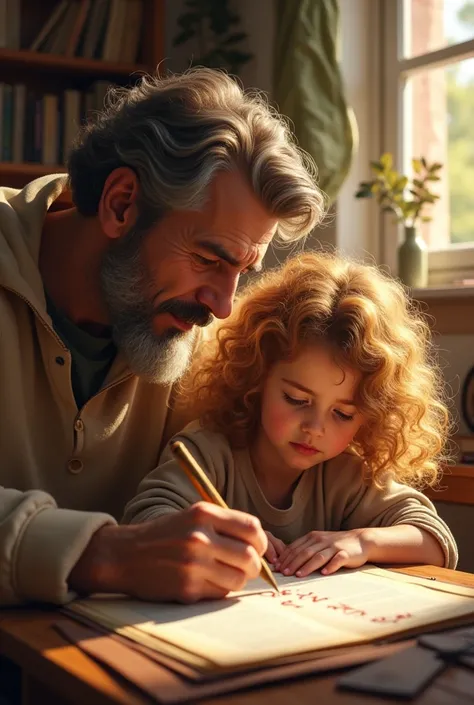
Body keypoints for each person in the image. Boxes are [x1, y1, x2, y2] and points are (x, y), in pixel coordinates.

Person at [0, 68, 325, 606]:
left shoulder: (187, 330)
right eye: (207, 259)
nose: (222, 306)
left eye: (242, 271)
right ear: (122, 203)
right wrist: (104, 555)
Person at [123, 251, 458, 585]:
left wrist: (361, 541)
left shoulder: (347, 474)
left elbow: (435, 540)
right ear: (256, 377)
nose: (315, 427)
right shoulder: (208, 451)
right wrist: (221, 535)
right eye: (297, 399)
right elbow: (143, 520)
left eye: (342, 414)